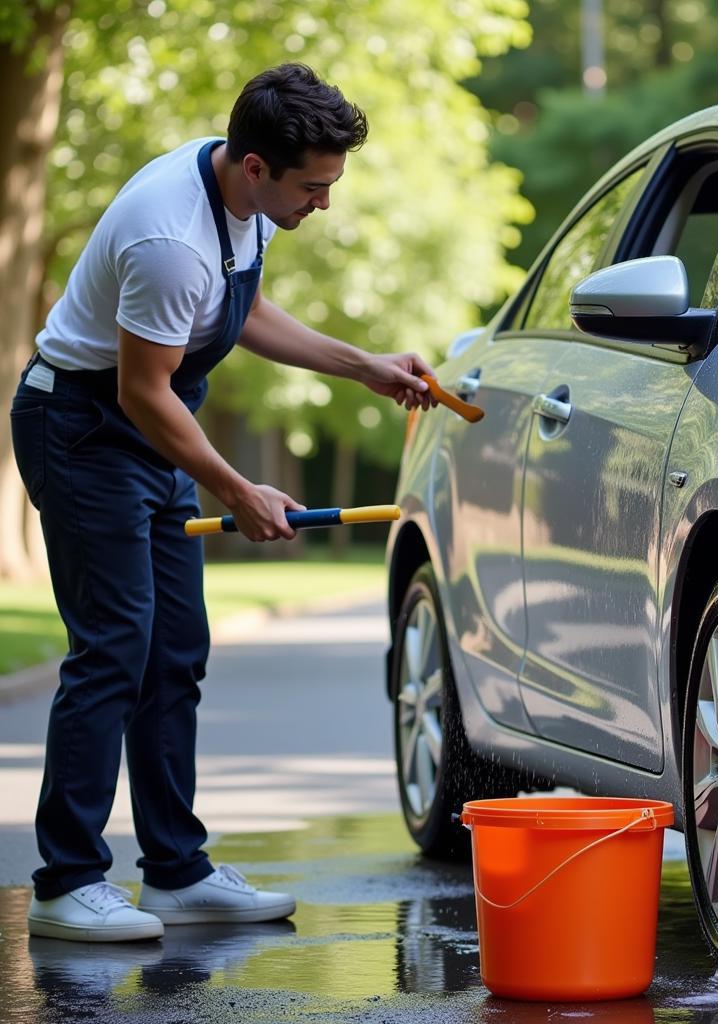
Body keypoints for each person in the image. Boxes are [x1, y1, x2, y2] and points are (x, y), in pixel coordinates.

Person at [9, 63, 436, 943]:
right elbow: (142, 390)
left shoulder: (241, 208)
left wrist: (367, 367)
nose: (324, 202)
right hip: (83, 427)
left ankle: (175, 872)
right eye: (313, 187)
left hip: (142, 424)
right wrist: (235, 488)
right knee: (114, 647)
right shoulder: (169, 238)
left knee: (176, 653)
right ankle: (66, 882)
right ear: (253, 165)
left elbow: (238, 313)